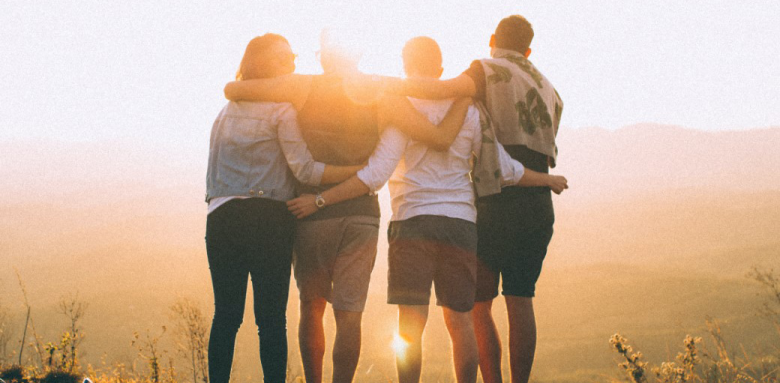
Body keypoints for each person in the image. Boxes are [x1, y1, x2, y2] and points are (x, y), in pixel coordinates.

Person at [286, 36, 567, 383]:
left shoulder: (402, 108)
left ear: (406, 66)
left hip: (412, 223)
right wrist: (545, 179)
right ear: (441, 67)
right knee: (461, 320)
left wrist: (322, 199)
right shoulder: (470, 110)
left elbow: (375, 174)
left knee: (410, 323)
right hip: (461, 224)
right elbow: (503, 168)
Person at [223, 30, 470, 383]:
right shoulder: (381, 91)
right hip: (361, 216)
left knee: (312, 307)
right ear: (357, 54)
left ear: (324, 56)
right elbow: (439, 134)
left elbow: (235, 90)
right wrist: (467, 89)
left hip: (310, 214)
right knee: (349, 314)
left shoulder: (302, 86)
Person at [387, 16, 565, 383]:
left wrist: (381, 87)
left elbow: (444, 90)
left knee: (478, 307)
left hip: (495, 199)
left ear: (491, 40)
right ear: (528, 49)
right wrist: (547, 180)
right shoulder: (549, 88)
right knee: (521, 299)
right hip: (536, 201)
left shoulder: (485, 69)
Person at [205, 33, 364, 383]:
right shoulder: (281, 110)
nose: (292, 62)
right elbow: (305, 170)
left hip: (221, 217)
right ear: (262, 63)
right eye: (283, 58)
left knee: (226, 316)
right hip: (268, 219)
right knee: (271, 319)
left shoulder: (224, 112)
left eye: (292, 55)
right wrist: (356, 172)